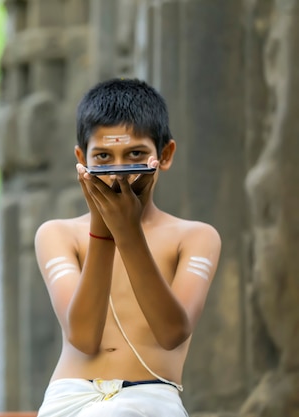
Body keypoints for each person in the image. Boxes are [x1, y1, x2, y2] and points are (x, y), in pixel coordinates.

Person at [33, 78, 222, 417]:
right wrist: (103, 229)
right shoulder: (57, 234)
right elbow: (84, 337)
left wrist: (129, 233)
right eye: (103, 158)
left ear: (164, 155)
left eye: (135, 155)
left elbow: (172, 332)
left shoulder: (195, 237)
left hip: (150, 400)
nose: (119, 172)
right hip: (70, 399)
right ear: (82, 159)